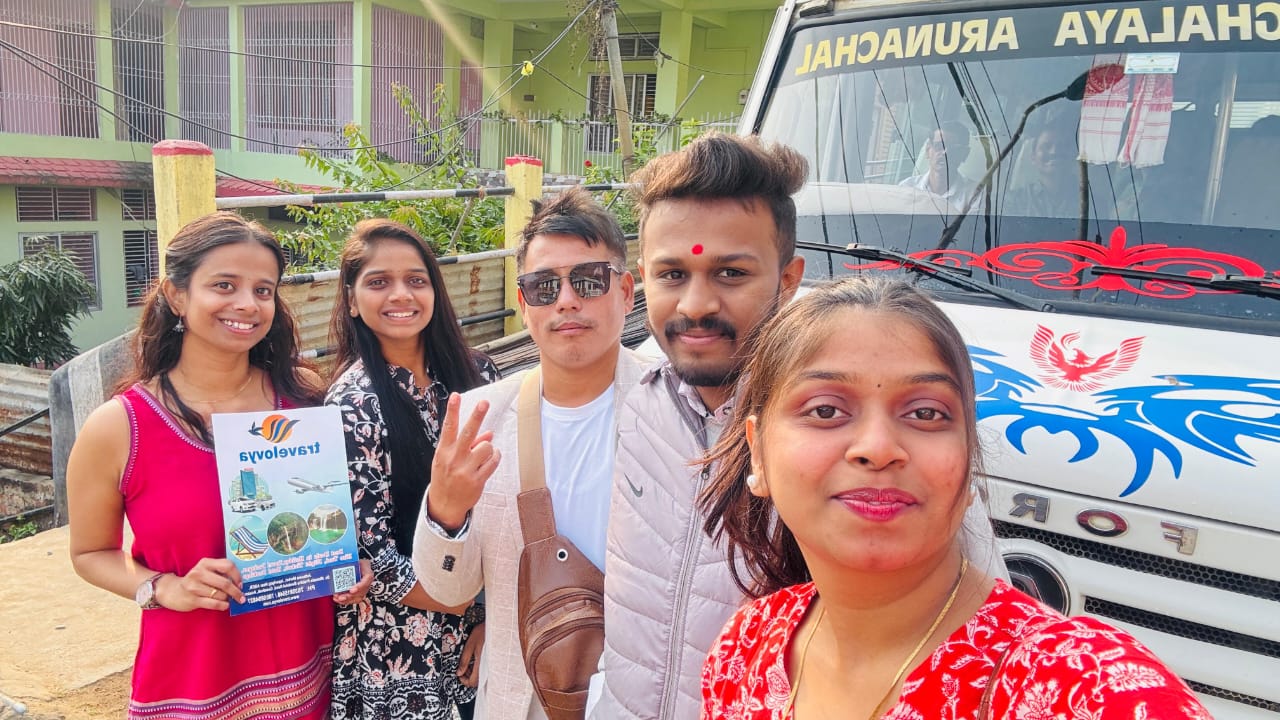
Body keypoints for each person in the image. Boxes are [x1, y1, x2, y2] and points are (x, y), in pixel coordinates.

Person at [592, 132, 1002, 720]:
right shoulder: (635, 402)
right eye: (672, 274)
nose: (696, 305)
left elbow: (981, 641)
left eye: (730, 273)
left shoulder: (842, 439)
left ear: (788, 280)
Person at [699, 278, 1211, 719]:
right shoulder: (745, 648)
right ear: (758, 453)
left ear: (968, 464)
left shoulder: (1085, 688)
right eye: (826, 410)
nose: (878, 448)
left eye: (926, 414)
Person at [66, 211, 370, 720]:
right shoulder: (119, 426)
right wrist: (165, 588)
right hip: (193, 683)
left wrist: (350, 564)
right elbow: (90, 553)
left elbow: (332, 514)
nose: (247, 304)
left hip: (312, 675)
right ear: (176, 294)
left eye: (263, 290)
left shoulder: (305, 399)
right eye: (224, 285)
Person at [412, 187, 650, 719]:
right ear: (524, 306)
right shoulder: (480, 420)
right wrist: (445, 511)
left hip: (644, 696)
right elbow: (449, 589)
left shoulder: (675, 410)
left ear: (626, 291)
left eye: (588, 280)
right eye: (544, 286)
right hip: (522, 700)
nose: (566, 300)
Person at [326, 219, 498, 720]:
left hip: (483, 628)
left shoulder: (480, 376)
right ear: (352, 300)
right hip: (395, 647)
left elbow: (503, 502)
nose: (401, 294)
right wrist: (466, 608)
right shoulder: (350, 403)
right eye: (379, 282)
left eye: (416, 280)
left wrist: (491, 620)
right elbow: (371, 556)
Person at [897, 122, 978, 213]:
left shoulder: (975, 196)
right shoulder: (906, 188)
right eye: (939, 146)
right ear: (928, 150)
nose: (945, 153)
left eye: (954, 149)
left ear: (964, 154)